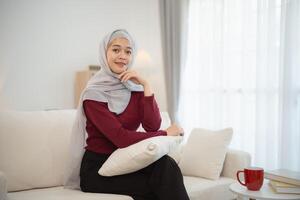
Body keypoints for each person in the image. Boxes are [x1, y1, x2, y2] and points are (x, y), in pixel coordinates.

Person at [64, 29, 189, 200]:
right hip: (98, 169)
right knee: (157, 187)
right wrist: (166, 133)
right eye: (116, 50)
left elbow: (152, 125)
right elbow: (120, 138)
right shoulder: (93, 94)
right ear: (104, 53)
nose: (123, 55)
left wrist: (146, 86)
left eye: (128, 51)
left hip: (127, 161)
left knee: (166, 165)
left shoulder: (134, 88)